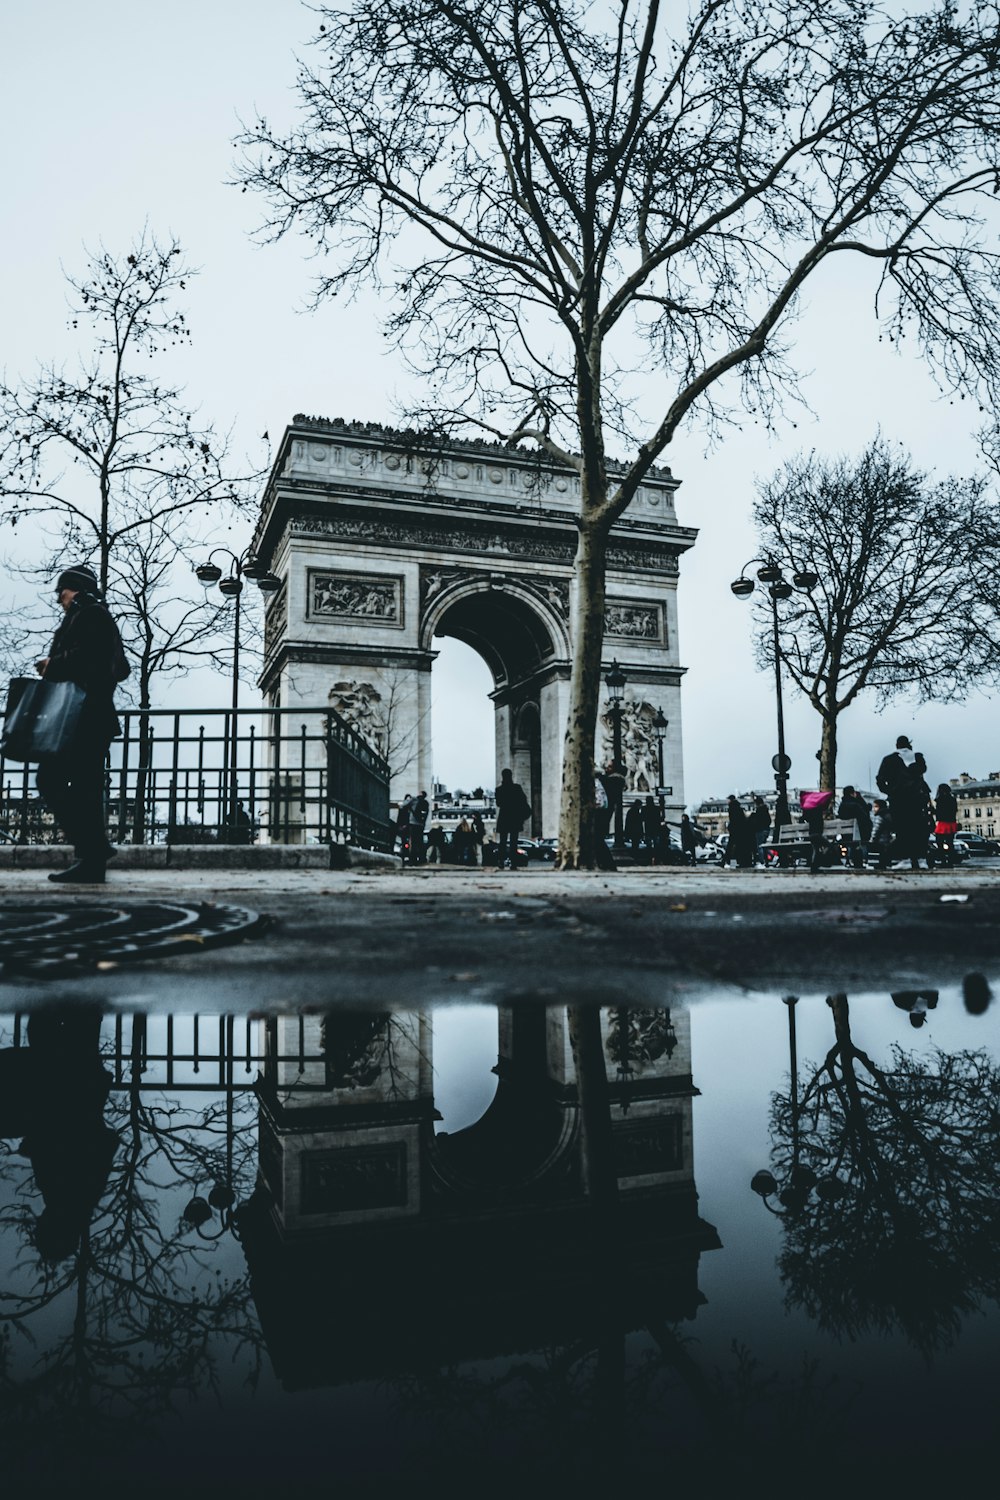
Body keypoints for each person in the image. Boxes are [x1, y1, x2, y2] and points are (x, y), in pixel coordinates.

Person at [35, 563, 128, 884]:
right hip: (90, 718)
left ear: (75, 589)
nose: (59, 597)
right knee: (83, 787)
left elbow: (95, 660)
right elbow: (122, 667)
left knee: (50, 779)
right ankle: (92, 857)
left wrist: (53, 665)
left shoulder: (90, 615)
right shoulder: (94, 615)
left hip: (82, 718)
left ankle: (93, 851)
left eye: (62, 590)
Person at [876, 735, 932, 869]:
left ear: (896, 745)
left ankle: (906, 858)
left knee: (903, 829)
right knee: (917, 829)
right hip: (916, 798)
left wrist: (890, 791)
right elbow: (922, 770)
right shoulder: (917, 758)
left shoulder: (889, 760)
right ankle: (920, 858)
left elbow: (880, 779)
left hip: (898, 799)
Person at [495, 768, 531, 869]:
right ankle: (513, 863)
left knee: (502, 841)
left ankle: (501, 861)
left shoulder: (499, 789)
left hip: (504, 817)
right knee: (513, 842)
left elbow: (499, 803)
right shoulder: (517, 788)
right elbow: (523, 800)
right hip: (514, 817)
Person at [838, 785, 872, 869]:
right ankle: (861, 861)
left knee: (851, 842)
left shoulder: (841, 806)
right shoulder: (856, 805)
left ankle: (849, 860)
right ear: (852, 793)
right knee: (859, 842)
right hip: (857, 833)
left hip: (845, 834)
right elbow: (864, 818)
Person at [800, 788, 835, 872]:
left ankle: (814, 867)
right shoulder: (818, 811)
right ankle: (820, 860)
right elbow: (825, 807)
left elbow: (803, 818)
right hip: (817, 834)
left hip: (811, 834)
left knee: (816, 849)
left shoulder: (810, 812)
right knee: (829, 846)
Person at [722, 796, 754, 868]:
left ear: (730, 800)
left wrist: (730, 827)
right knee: (739, 846)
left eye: (728, 800)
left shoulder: (731, 808)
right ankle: (742, 862)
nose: (727, 801)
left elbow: (733, 820)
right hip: (741, 830)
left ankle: (725, 861)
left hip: (735, 831)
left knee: (730, 847)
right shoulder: (739, 808)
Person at [932, 782, 959, 867]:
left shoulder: (940, 800)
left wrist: (934, 811)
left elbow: (939, 812)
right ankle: (950, 861)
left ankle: (943, 860)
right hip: (951, 823)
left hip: (943, 823)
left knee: (939, 842)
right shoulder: (952, 799)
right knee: (950, 843)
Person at [870, 798, 893, 870]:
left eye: (876, 806)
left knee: (881, 852)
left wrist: (872, 839)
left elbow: (876, 829)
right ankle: (885, 863)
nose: (874, 809)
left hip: (880, 839)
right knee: (884, 852)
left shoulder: (879, 817)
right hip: (887, 839)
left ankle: (881, 864)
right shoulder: (888, 815)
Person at [750, 795, 772, 866]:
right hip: (766, 830)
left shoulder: (758, 811)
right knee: (764, 846)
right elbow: (769, 821)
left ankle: (762, 862)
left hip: (760, 830)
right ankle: (767, 861)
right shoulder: (765, 810)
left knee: (760, 847)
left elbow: (756, 822)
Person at [642, 795, 663, 863]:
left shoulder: (644, 808)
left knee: (649, 846)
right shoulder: (657, 808)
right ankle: (657, 859)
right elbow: (660, 819)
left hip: (648, 829)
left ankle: (649, 859)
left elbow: (642, 818)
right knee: (657, 846)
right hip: (656, 830)